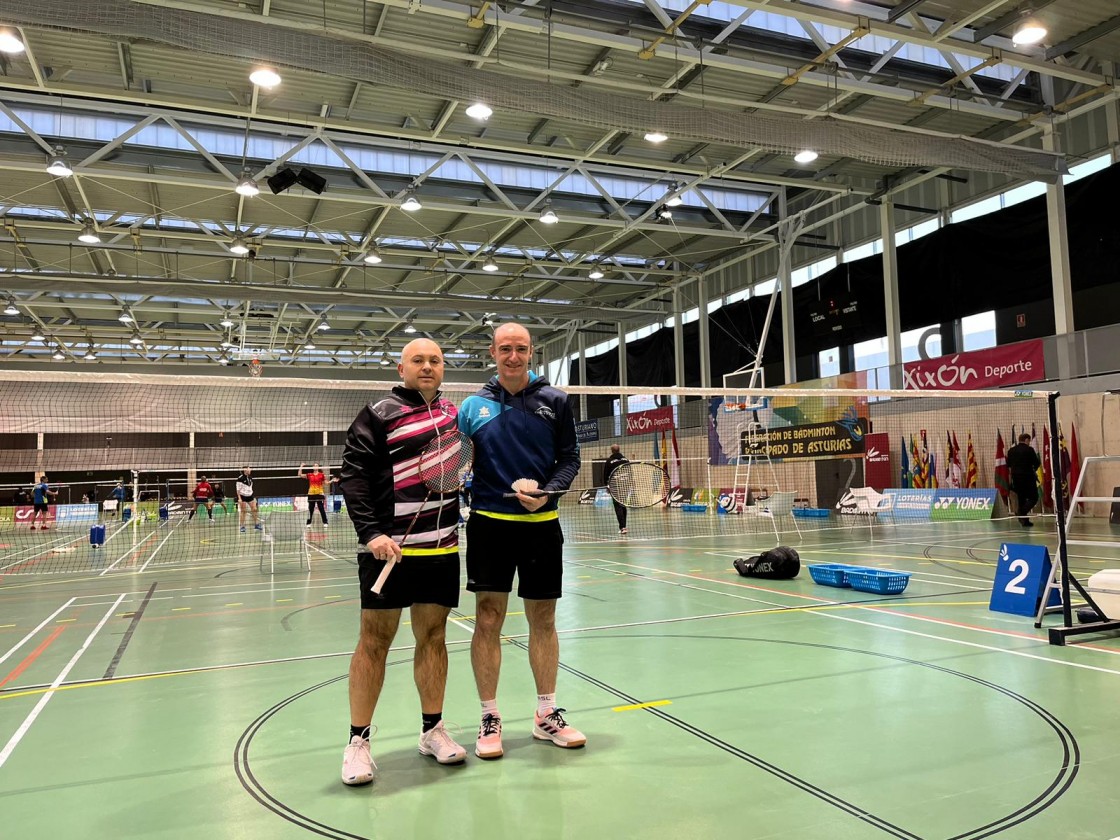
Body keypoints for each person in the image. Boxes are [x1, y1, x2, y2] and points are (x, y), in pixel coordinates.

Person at [338, 337, 467, 787]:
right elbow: (352, 477)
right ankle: (358, 743)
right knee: (374, 641)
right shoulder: (378, 414)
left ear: (443, 367)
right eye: (418, 360)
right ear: (401, 368)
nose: (427, 366)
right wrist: (370, 532)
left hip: (441, 548)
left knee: (433, 638)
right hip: (387, 551)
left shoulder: (455, 416)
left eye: (435, 359)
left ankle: (432, 730)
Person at [458, 322, 584, 760]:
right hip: (490, 524)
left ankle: (546, 713)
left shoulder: (556, 400)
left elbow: (570, 459)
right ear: (492, 352)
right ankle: (489, 716)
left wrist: (549, 490)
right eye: (505, 349)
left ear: (533, 352)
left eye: (522, 349)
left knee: (543, 619)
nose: (514, 356)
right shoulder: (473, 406)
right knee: (488, 619)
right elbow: (457, 463)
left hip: (542, 524)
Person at [1006, 432, 1042, 527]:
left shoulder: (1011, 451)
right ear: (1026, 440)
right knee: (1034, 497)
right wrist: (1033, 469)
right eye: (1029, 440)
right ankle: (1022, 511)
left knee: (1021, 499)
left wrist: (1011, 480)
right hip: (1028, 477)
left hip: (1016, 479)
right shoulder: (1029, 450)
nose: (1029, 442)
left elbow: (1009, 467)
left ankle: (1025, 521)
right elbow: (1037, 463)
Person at [299, 462, 339, 528]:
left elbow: (326, 482)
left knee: (321, 509)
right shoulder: (309, 475)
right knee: (310, 509)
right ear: (313, 467)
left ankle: (325, 522)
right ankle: (308, 523)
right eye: (314, 465)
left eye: (317, 465)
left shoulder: (321, 475)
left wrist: (332, 480)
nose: (315, 466)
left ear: (318, 467)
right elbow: (299, 474)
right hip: (311, 494)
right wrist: (301, 466)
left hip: (319, 494)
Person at [603, 443, 629, 535]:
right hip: (625, 485)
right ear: (619, 450)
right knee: (623, 505)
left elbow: (605, 475)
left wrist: (607, 485)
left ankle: (622, 527)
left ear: (612, 451)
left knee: (617, 506)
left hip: (615, 486)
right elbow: (630, 472)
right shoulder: (626, 460)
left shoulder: (609, 461)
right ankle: (624, 526)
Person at [235, 466, 262, 534]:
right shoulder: (240, 478)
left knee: (255, 509)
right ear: (245, 470)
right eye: (249, 468)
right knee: (243, 511)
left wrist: (252, 495)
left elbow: (250, 487)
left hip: (250, 496)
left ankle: (256, 525)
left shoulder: (250, 477)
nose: (250, 469)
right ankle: (242, 526)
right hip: (243, 496)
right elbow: (238, 490)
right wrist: (239, 498)